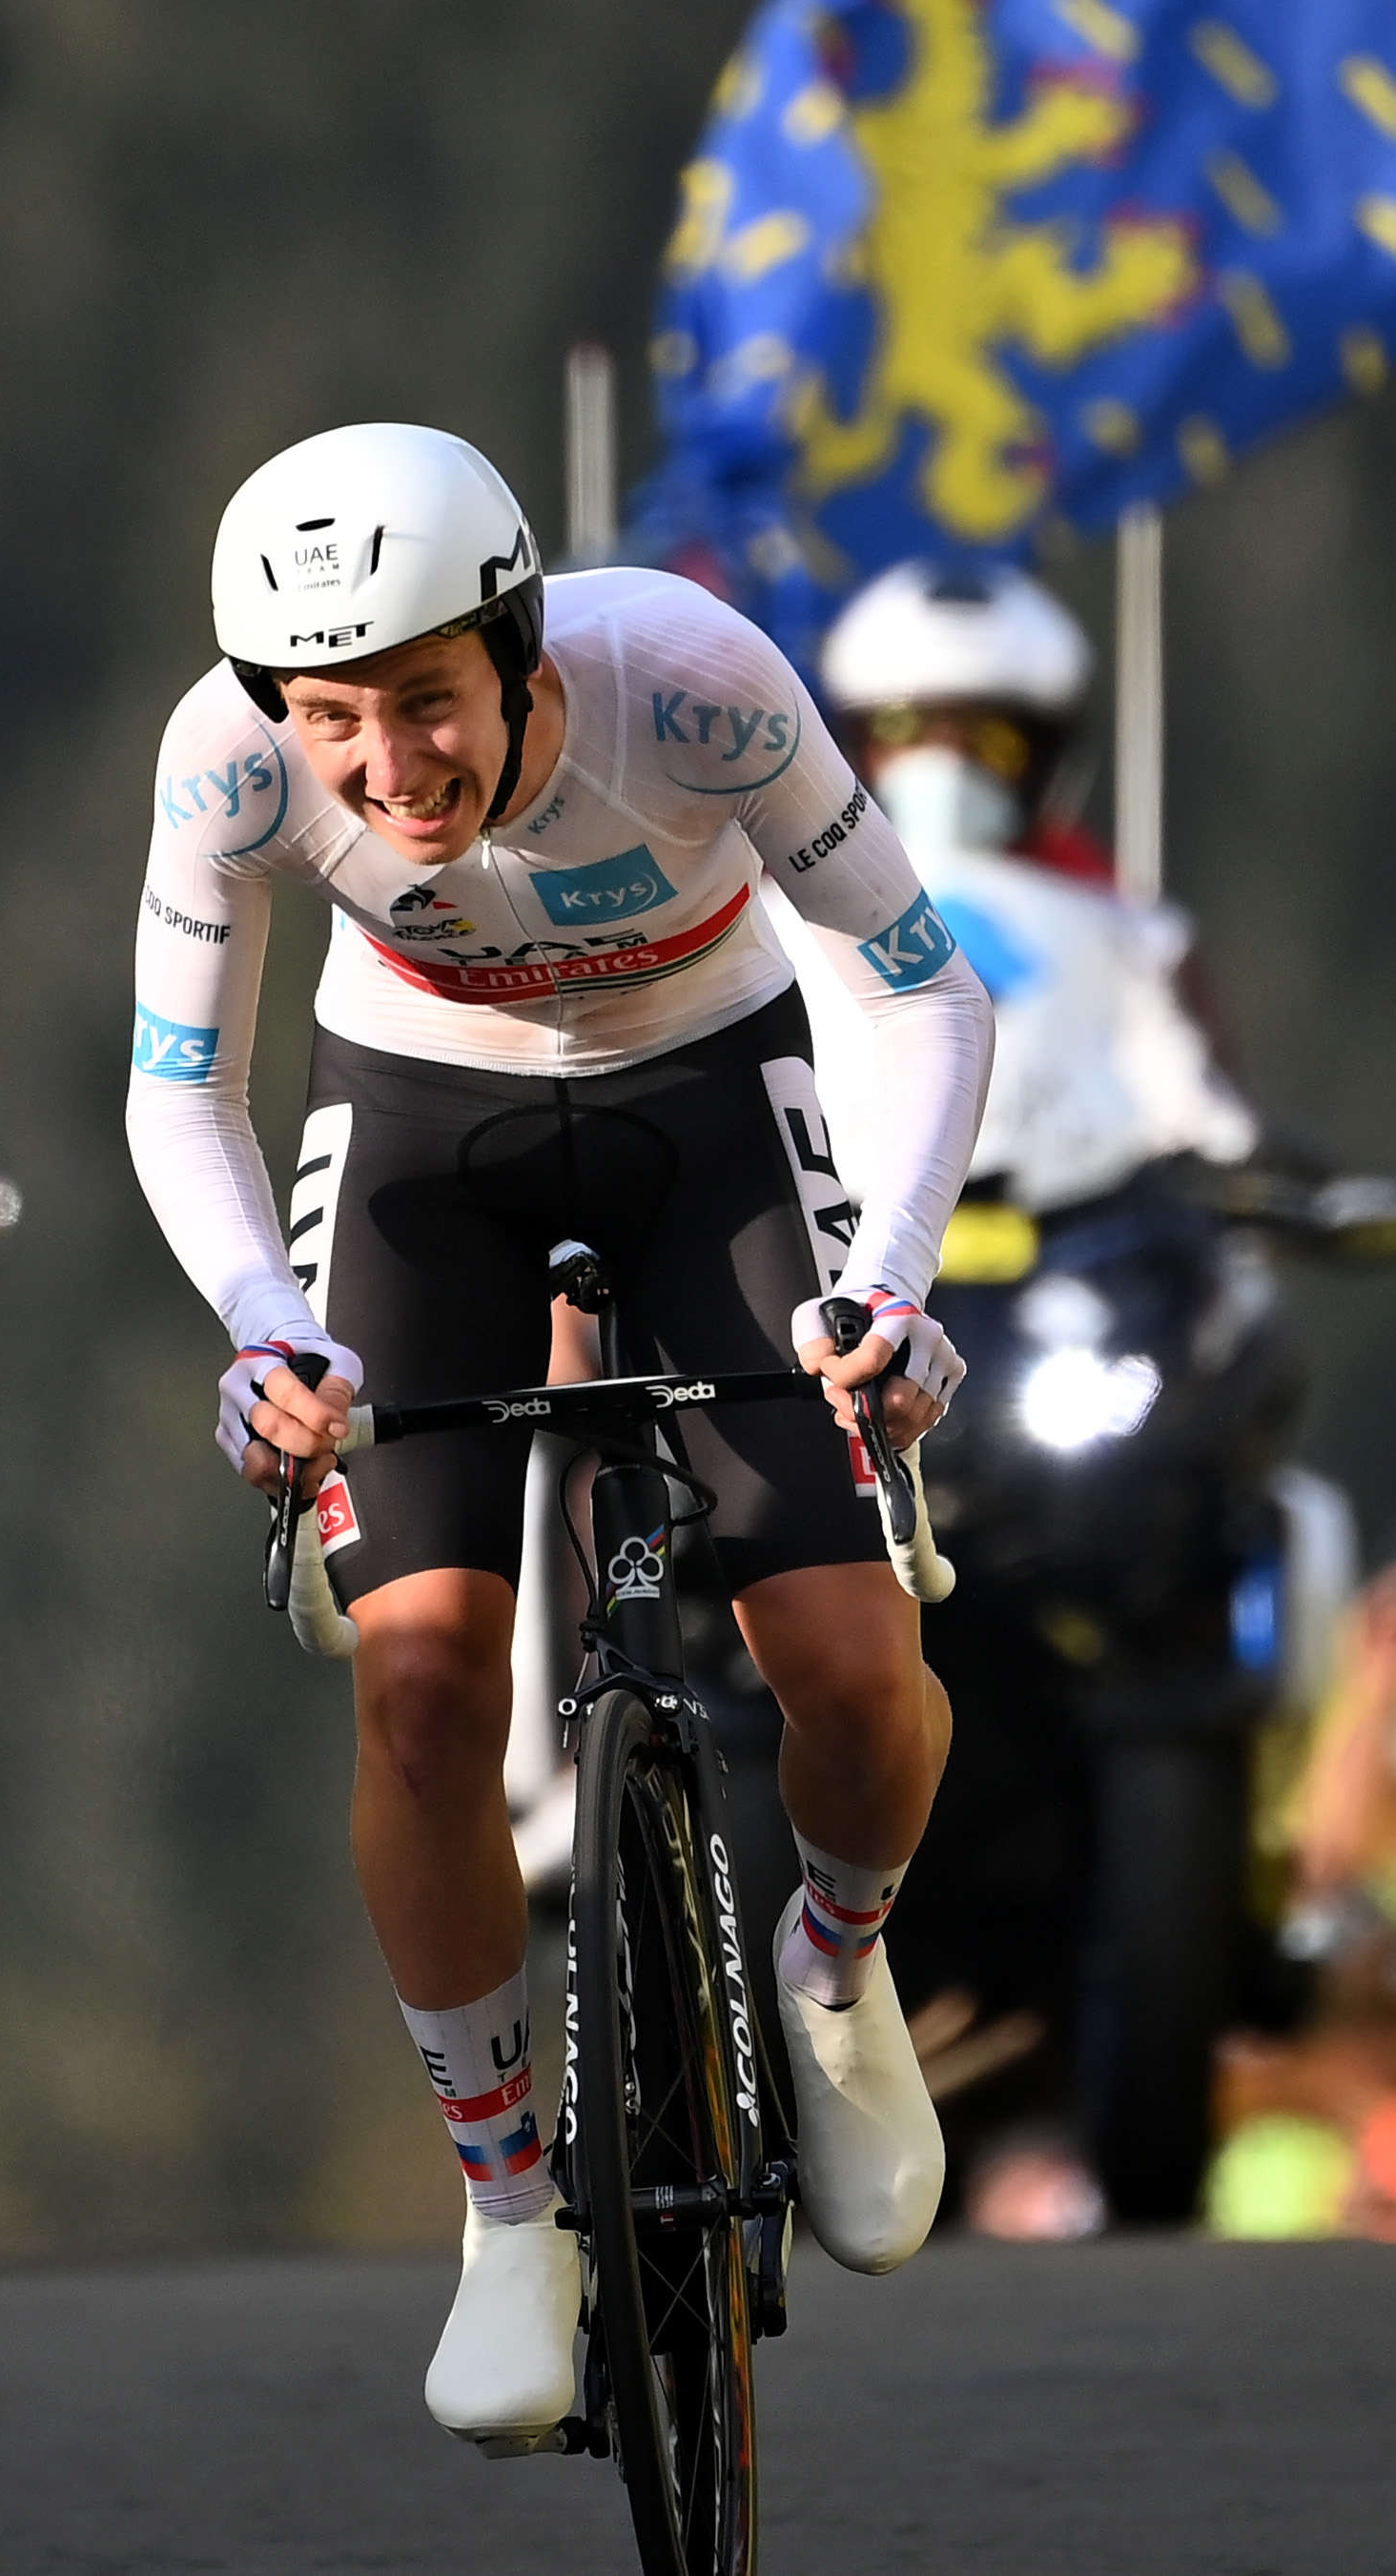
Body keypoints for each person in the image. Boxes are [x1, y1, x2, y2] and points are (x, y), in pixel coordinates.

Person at [123, 422, 993, 2448]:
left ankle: (839, 1970)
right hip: (425, 1131)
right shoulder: (227, 766)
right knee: (420, 1678)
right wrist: (265, 1328)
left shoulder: (690, 681)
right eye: (333, 717)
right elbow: (184, 1092)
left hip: (713, 1102)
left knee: (853, 1667)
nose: (385, 766)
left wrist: (899, 1287)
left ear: (523, 651)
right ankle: (510, 2204)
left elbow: (920, 990)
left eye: (424, 699)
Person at [789, 559, 1258, 1212]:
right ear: (853, 740)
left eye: (992, 742)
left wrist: (1224, 1149)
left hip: (1080, 1227)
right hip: (834, 1228)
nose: (944, 765)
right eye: (905, 730)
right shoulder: (773, 898)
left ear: (1047, 756)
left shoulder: (1116, 918)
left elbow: (1180, 1076)